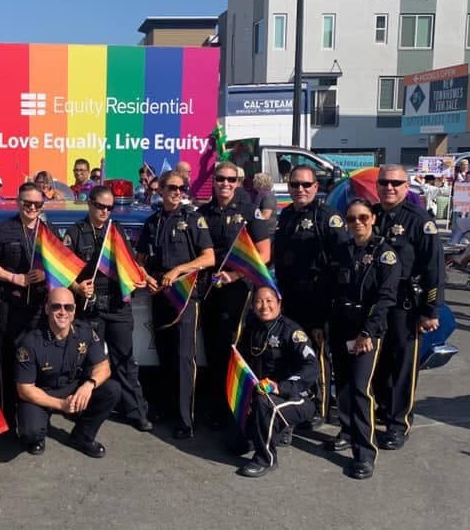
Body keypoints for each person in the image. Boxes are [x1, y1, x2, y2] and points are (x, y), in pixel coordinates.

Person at [135, 170, 216, 438]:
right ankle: (167, 409)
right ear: (160, 189)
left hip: (184, 294)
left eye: (182, 188)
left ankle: (185, 420)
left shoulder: (193, 219)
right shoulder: (152, 222)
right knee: (165, 355)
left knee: (183, 359)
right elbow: (140, 259)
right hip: (159, 294)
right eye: (172, 187)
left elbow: (208, 258)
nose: (177, 192)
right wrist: (146, 277)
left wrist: (178, 270)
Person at [65, 186, 151, 431]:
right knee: (88, 362)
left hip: (117, 304)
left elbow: (131, 262)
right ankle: (84, 409)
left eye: (109, 207)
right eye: (100, 206)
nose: (104, 211)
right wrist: (77, 287)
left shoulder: (117, 231)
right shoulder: (75, 232)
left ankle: (135, 411)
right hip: (88, 305)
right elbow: (60, 270)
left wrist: (140, 276)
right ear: (90, 204)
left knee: (125, 360)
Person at [372, 165, 444, 450]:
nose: (389, 187)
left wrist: (431, 310)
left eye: (396, 183)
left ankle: (398, 423)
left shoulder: (419, 221)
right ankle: (380, 409)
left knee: (403, 365)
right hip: (376, 302)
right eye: (384, 182)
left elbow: (433, 268)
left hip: (406, 303)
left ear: (406, 186)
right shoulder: (371, 215)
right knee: (378, 361)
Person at [327, 199, 399, 480]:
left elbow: (386, 298)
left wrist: (368, 333)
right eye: (351, 218)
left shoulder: (384, 254)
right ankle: (347, 430)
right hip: (340, 327)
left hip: (366, 331)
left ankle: (364, 453)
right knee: (343, 386)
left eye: (363, 217)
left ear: (372, 219)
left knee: (359, 389)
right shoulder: (342, 251)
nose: (357, 223)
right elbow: (331, 289)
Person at [198, 161, 271, 429]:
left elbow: (264, 255)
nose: (225, 183)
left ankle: (238, 407)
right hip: (208, 289)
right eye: (220, 179)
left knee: (233, 348)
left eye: (231, 179)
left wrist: (236, 275)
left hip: (238, 291)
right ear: (214, 181)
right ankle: (217, 407)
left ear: (238, 182)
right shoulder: (202, 212)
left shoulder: (250, 213)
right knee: (213, 349)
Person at [272, 165, 347, 423]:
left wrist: (326, 311)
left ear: (316, 186)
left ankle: (321, 409)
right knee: (295, 353)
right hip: (291, 298)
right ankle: (301, 402)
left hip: (319, 300)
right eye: (295, 185)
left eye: (306, 185)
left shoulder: (327, 217)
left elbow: (341, 263)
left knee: (318, 356)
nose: (300, 190)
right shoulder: (286, 216)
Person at [15, 287, 120, 457]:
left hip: (73, 387)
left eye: (68, 307)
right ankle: (38, 435)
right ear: (47, 309)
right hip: (42, 393)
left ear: (74, 311)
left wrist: (89, 385)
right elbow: (25, 389)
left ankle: (82, 436)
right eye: (56, 307)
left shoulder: (84, 332)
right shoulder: (31, 342)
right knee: (30, 432)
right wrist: (61, 405)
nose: (63, 312)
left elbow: (104, 366)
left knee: (112, 390)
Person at [234, 286, 320, 478]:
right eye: (258, 301)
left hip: (296, 396)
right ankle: (270, 432)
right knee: (236, 444)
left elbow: (312, 366)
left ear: (279, 302)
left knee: (266, 404)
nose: (264, 306)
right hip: (262, 392)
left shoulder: (292, 331)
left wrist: (280, 387)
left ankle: (266, 459)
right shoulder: (252, 328)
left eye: (269, 300)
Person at [0, 182, 47, 419]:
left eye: (36, 204)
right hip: (10, 305)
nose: (31, 207)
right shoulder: (1, 230)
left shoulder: (47, 232)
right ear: (18, 202)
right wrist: (14, 277)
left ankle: (34, 409)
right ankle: (6, 411)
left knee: (36, 357)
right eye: (26, 203)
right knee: (9, 357)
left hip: (39, 307)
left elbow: (59, 265)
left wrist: (45, 274)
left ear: (42, 205)